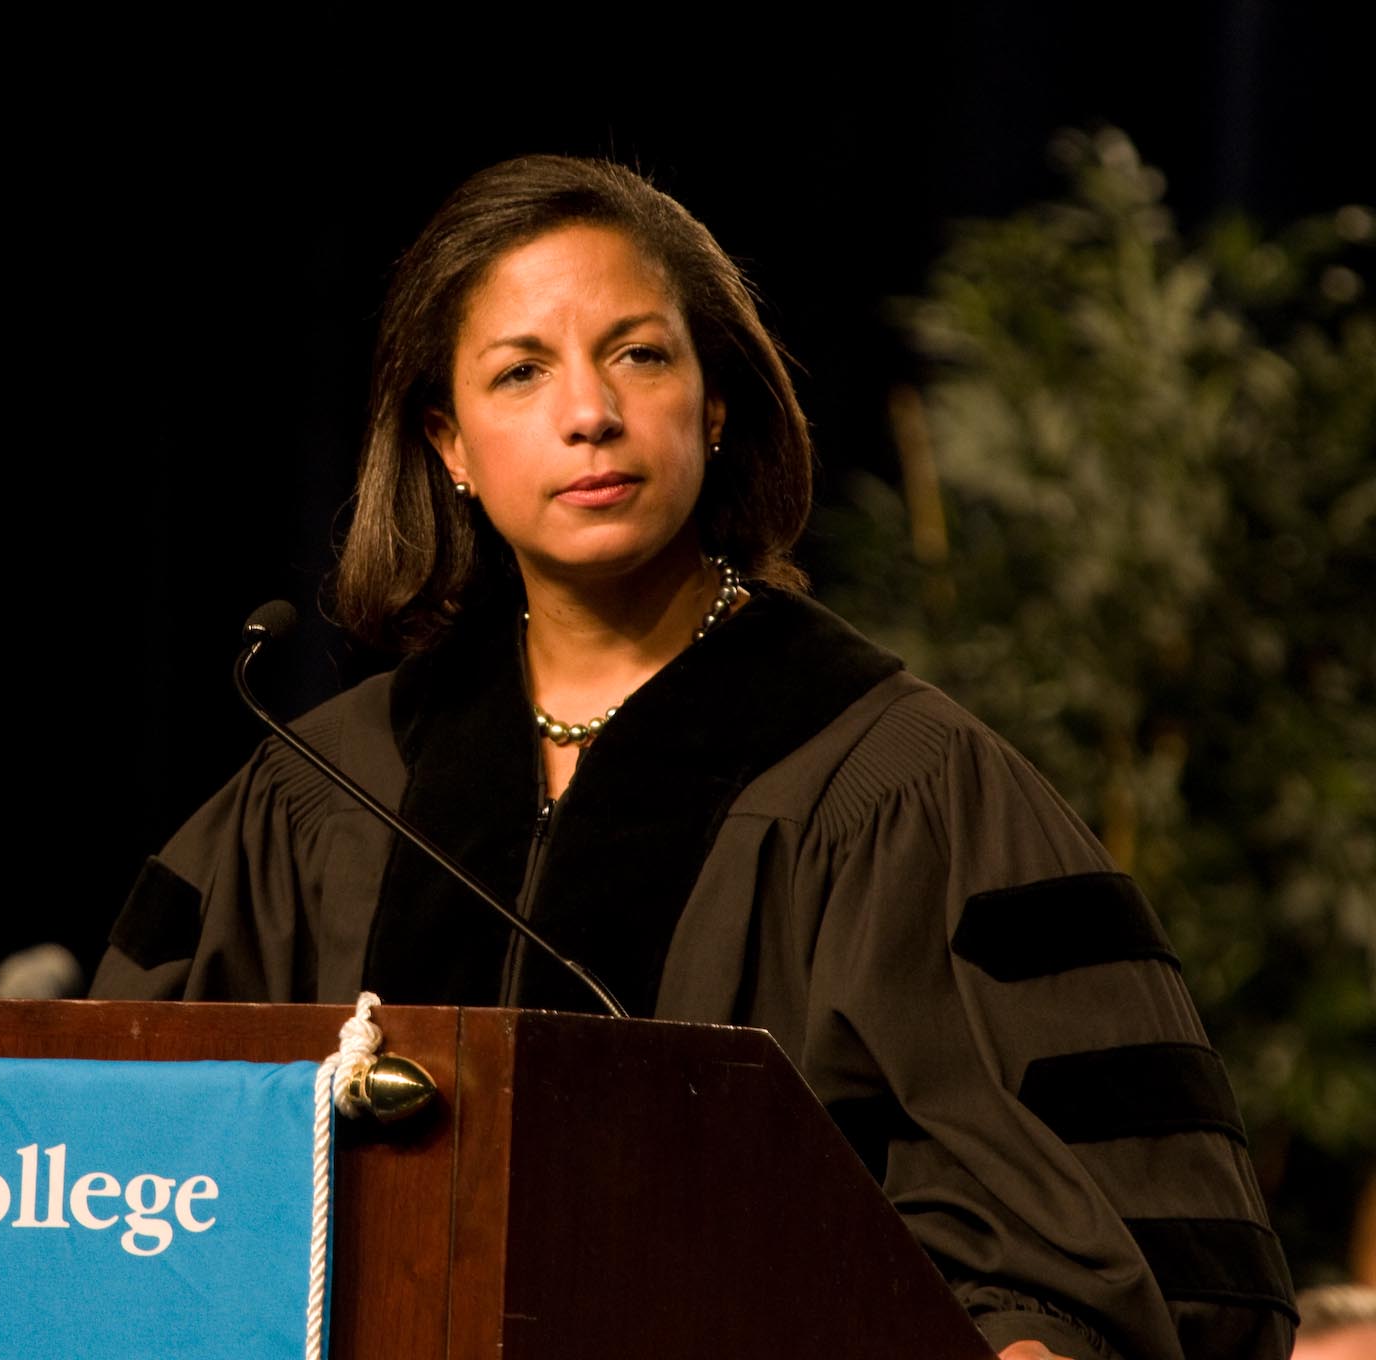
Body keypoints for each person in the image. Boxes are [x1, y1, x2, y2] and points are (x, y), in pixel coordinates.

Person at [91, 155, 1296, 1359]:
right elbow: (117, 1182)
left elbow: (1120, 1251)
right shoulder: (319, 794)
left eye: (639, 354)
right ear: (448, 446)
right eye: (521, 371)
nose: (589, 413)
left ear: (714, 405)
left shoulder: (898, 785)